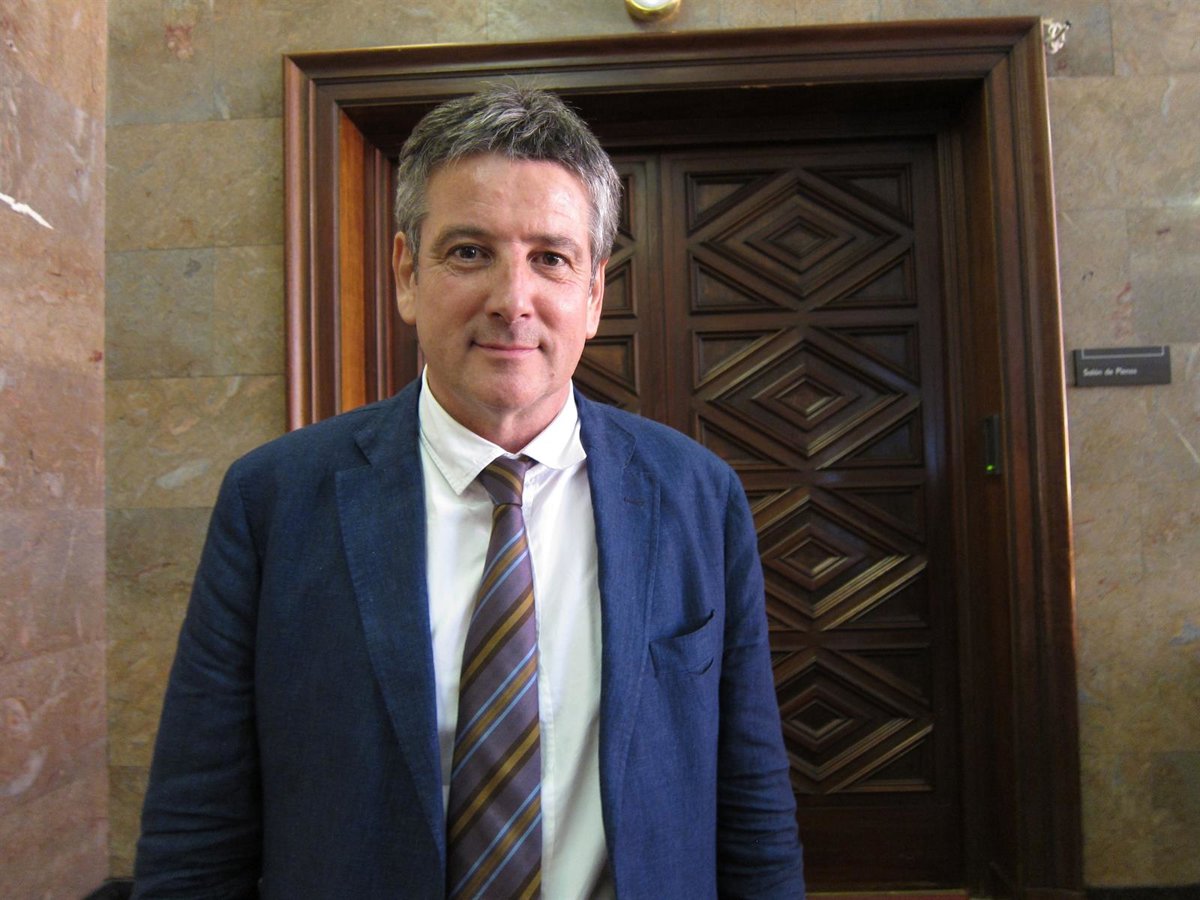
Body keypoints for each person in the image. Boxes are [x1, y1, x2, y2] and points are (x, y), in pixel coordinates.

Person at [133, 86, 804, 899]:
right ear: (406, 274)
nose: (512, 301)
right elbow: (198, 827)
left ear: (594, 295)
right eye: (469, 252)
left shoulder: (696, 497)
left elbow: (752, 801)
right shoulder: (273, 502)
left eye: (550, 258)